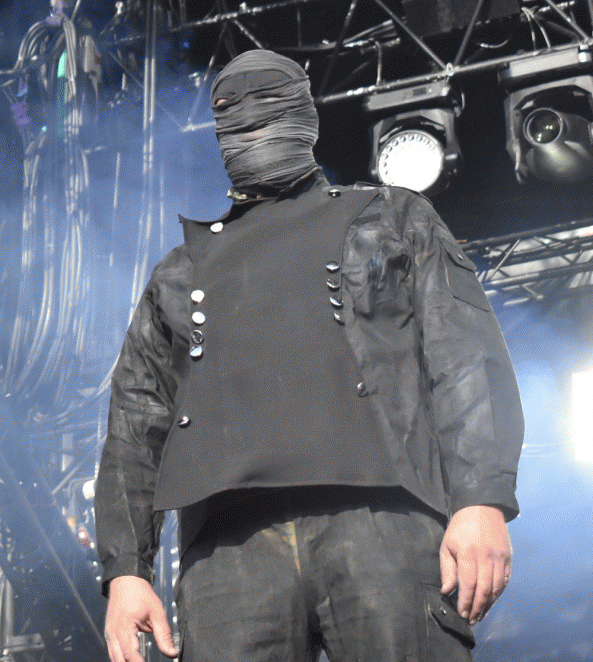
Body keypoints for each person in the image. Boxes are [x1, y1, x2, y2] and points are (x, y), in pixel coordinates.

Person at [96, 50, 524, 662]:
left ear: (307, 115)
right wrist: (126, 571)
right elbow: (135, 425)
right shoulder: (178, 273)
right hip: (228, 546)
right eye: (230, 110)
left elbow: (465, 358)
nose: (251, 120)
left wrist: (481, 499)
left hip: (382, 516)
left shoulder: (394, 217)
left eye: (270, 102)